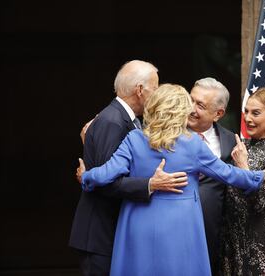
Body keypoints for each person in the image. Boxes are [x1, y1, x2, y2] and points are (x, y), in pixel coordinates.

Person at [76, 84, 265, 276]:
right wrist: (263, 175)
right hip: (180, 226)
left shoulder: (134, 139)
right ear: (181, 112)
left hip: (138, 221)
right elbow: (230, 174)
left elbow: (106, 174)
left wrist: (85, 176)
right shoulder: (192, 144)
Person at [69, 60, 188, 276]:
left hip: (111, 229)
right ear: (140, 90)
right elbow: (106, 182)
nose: (158, 94)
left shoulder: (129, 120)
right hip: (100, 234)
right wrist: (151, 184)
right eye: (156, 87)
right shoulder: (112, 121)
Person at [220, 87, 265, 275]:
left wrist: (243, 167)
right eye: (246, 111)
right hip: (230, 243)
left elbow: (260, 203)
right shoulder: (242, 145)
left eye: (256, 113)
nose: (248, 118)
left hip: (256, 247)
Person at [187, 77, 239, 274]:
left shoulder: (230, 141)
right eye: (190, 100)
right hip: (172, 230)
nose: (191, 108)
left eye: (200, 105)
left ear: (218, 114)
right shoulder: (167, 134)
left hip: (211, 237)